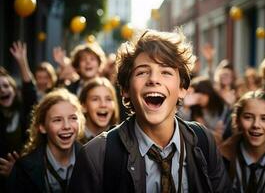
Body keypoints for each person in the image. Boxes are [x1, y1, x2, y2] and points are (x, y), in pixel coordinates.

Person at [69, 29, 232, 193]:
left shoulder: (203, 141)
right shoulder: (96, 155)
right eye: (142, 72)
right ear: (125, 89)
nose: (154, 79)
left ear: (182, 88)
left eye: (166, 72)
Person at [7, 88, 85, 192]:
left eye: (73, 118)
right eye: (57, 120)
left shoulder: (92, 159)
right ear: (42, 126)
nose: (66, 126)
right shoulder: (24, 169)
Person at [79, 77, 119, 144]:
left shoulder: (123, 137)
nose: (103, 104)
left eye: (108, 99)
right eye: (95, 99)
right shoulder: (73, 140)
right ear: (83, 106)